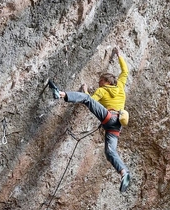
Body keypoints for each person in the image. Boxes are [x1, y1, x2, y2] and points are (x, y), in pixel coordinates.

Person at [48, 47, 131, 192]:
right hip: (117, 125)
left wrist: (85, 91)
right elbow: (125, 72)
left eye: (100, 81)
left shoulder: (102, 90)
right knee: (110, 151)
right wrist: (119, 55)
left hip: (109, 117)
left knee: (86, 99)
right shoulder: (121, 86)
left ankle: (60, 93)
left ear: (105, 81)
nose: (98, 84)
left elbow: (90, 101)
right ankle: (124, 172)